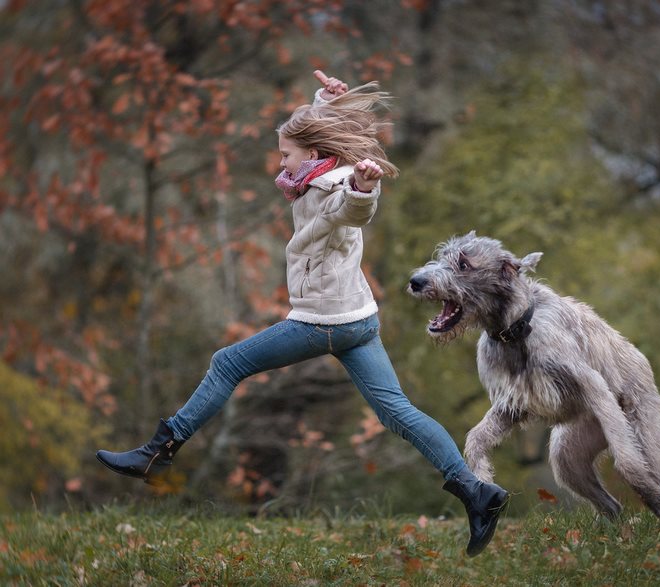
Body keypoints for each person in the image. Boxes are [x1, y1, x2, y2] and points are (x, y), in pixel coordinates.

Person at [96, 71, 509, 557]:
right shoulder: (315, 175)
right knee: (397, 413)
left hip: (322, 323)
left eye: (287, 155)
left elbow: (350, 211)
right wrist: (325, 105)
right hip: (359, 318)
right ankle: (477, 492)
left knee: (228, 362)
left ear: (312, 158)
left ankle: (157, 453)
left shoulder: (332, 188)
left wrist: (362, 190)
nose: (281, 162)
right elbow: (323, 163)